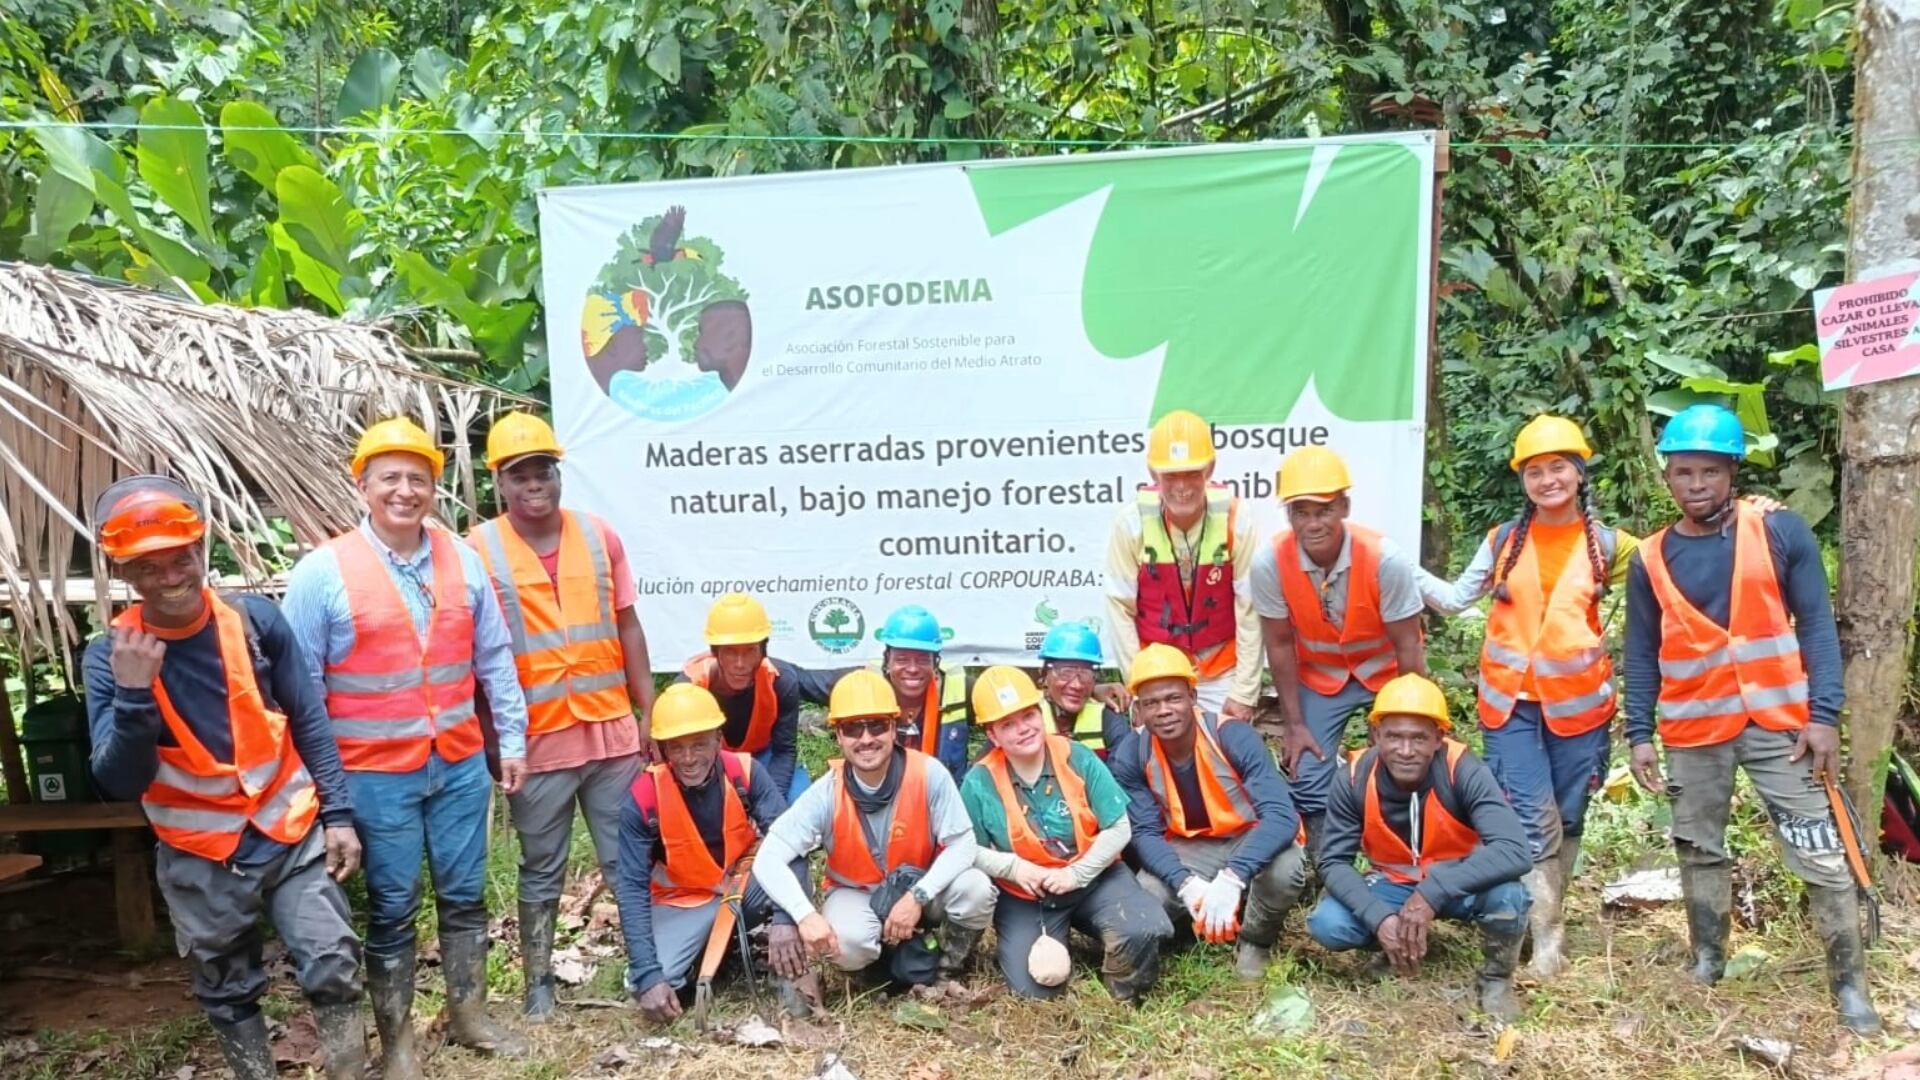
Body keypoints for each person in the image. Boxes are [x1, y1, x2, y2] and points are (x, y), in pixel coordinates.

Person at [83, 477, 366, 1080]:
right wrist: (134, 696)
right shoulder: (112, 654)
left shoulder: (255, 620)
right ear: (126, 573)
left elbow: (310, 722)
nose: (170, 577)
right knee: (226, 984)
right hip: (200, 853)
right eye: (149, 567)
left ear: (200, 548)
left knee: (332, 960)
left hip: (288, 831)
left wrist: (338, 816)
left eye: (180, 557)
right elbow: (116, 782)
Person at [283, 417, 530, 1077]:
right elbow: (299, 692)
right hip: (372, 777)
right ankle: (398, 1049)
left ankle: (469, 1014)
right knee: (393, 907)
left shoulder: (463, 561)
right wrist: (323, 793)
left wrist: (511, 738)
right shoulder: (322, 573)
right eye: (389, 477)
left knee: (465, 893)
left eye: (417, 478)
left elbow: (495, 659)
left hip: (456, 763)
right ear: (362, 485)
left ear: (434, 488)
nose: (404, 490)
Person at [1624, 403, 1881, 1035]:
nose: (1696, 485)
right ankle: (1708, 955)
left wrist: (1824, 716)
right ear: (1667, 477)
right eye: (1683, 473)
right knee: (1697, 845)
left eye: (1709, 472)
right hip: (1692, 731)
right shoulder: (1650, 559)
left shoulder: (1779, 531)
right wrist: (1638, 734)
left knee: (1819, 848)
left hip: (1779, 727)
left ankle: (1848, 984)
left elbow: (1817, 623)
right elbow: (1639, 652)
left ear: (1732, 471)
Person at [1413, 416, 1633, 978]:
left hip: (1581, 706)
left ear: (1579, 473)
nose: (1547, 479)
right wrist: (1392, 560)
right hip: (1510, 706)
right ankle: (1545, 940)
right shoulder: (1503, 541)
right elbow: (1457, 599)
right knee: (1532, 821)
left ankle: (1552, 916)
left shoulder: (1612, 545)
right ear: (1523, 480)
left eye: (1558, 467)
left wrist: (1751, 512)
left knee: (1569, 815)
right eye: (1535, 470)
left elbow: (1671, 569)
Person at [466, 412, 656, 1021]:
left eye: (542, 470)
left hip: (609, 732)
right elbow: (475, 655)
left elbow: (627, 623)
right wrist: (494, 739)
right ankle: (538, 986)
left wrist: (647, 709)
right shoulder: (479, 550)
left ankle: (646, 968)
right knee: (541, 866)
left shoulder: (600, 536)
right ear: (500, 481)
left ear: (558, 474)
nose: (533, 483)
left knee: (624, 856)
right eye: (519, 474)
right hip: (538, 740)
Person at [1305, 674, 1533, 1020]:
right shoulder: (1352, 777)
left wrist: (1432, 892)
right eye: (1394, 737)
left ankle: (1496, 978)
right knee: (1328, 923)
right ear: (1376, 735)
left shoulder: (1462, 770)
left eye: (1419, 738)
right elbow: (1333, 862)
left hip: (1459, 883)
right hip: (1393, 884)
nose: (1406, 750)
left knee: (1509, 897)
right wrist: (1378, 917)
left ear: (1439, 738)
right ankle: (1393, 941)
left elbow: (1515, 850)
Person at [751, 670, 996, 983]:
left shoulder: (928, 774)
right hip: (858, 894)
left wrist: (916, 897)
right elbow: (769, 857)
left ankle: (947, 968)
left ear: (894, 728)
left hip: (922, 886)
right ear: (838, 736)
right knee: (845, 944)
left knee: (975, 888)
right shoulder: (826, 792)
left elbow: (963, 844)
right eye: (853, 728)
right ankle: (877, 964)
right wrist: (804, 915)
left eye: (877, 725)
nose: (866, 739)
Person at [960, 666, 1171, 1000]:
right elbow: (968, 849)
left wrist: (1078, 873)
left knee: (1145, 927)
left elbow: (1119, 827)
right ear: (993, 736)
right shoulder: (978, 781)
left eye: (1028, 716)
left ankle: (1121, 990)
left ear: (1039, 713)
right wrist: (1015, 869)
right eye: (1007, 724)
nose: (1023, 729)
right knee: (1036, 989)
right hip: (1028, 895)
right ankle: (1050, 940)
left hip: (1094, 879)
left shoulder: (1078, 757)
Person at [613, 684, 819, 1021]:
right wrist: (647, 973)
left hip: (743, 889)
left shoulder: (746, 773)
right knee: (650, 984)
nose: (689, 758)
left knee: (788, 889)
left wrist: (786, 920)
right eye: (676, 748)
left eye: (698, 744)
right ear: (662, 750)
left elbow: (791, 845)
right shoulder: (643, 799)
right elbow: (632, 888)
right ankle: (707, 954)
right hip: (683, 902)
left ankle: (787, 966)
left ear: (718, 739)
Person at [1252, 445, 1425, 847]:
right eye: (1301, 512)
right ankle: (1329, 855)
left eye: (1324, 510)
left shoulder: (1385, 559)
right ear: (1289, 515)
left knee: (1405, 761)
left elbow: (1408, 645)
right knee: (1308, 775)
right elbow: (1278, 645)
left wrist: (1408, 718)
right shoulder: (1269, 563)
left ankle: (1397, 846)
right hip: (1321, 680)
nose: (1313, 523)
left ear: (1344, 506)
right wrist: (1294, 725)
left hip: (1386, 675)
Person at [1109, 644, 1307, 981]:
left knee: (1285, 869)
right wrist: (1185, 884)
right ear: (1138, 711)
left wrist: (1232, 877)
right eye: (1151, 703)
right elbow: (1144, 833)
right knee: (1148, 894)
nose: (1164, 710)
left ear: (1193, 696)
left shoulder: (1231, 734)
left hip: (1249, 836)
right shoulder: (1132, 752)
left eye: (1173, 698)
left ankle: (1255, 940)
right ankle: (1193, 924)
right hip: (1190, 847)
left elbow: (1282, 816)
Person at [1105, 411, 1263, 719]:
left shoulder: (1237, 519)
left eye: (1192, 473)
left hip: (1221, 668)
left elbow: (1251, 608)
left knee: (1228, 756)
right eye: (1171, 476)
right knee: (1156, 762)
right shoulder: (1131, 523)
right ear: (1154, 475)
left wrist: (1244, 691)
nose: (1182, 487)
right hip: (1157, 669)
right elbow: (1119, 607)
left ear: (1210, 469)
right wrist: (1138, 685)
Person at [679, 593, 838, 803]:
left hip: (765, 757)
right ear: (714, 652)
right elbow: (681, 758)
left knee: (801, 800)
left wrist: (772, 804)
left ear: (763, 651)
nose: (740, 663)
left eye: (750, 651)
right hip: (710, 763)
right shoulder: (688, 690)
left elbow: (784, 751)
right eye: (730, 652)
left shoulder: (780, 681)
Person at [873, 604, 972, 781]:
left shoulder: (960, 688)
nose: (912, 669)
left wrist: (977, 776)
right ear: (887, 660)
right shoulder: (866, 686)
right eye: (902, 659)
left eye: (922, 660)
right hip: (882, 801)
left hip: (943, 801)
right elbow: (806, 682)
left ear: (936, 662)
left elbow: (1014, 715)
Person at [1034, 622, 1133, 759]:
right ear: (1045, 674)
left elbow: (1122, 774)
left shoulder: (1108, 720)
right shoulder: (1025, 715)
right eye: (1066, 672)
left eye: (1085, 674)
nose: (1077, 685)